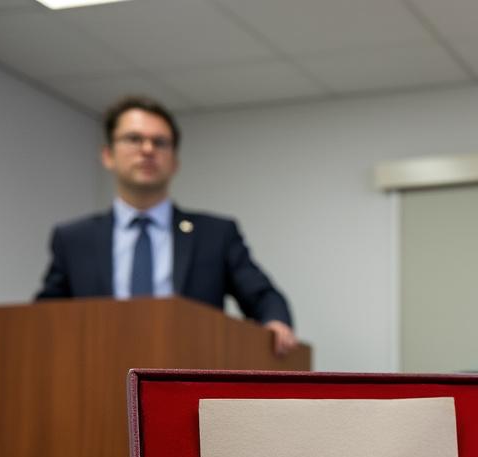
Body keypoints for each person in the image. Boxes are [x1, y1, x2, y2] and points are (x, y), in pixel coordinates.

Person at [36, 95, 297, 355]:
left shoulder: (216, 235)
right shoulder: (74, 239)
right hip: (93, 375)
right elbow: (43, 317)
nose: (147, 150)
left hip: (187, 375)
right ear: (108, 155)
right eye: (134, 139)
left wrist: (275, 321)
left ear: (174, 162)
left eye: (160, 142)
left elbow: (264, 296)